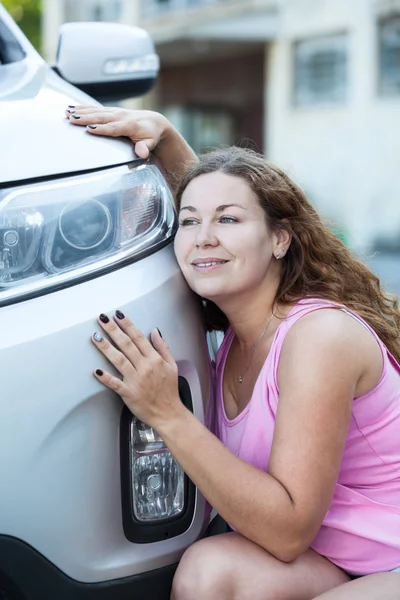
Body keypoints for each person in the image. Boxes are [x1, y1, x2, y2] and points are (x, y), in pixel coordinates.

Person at [66, 106, 400, 599]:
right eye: (188, 222)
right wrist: (166, 138)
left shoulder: (320, 336)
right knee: (207, 573)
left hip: (386, 561)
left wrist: (167, 415)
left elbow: (286, 532)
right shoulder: (232, 338)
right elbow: (217, 207)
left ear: (281, 239)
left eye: (228, 220)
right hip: (333, 561)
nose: (204, 236)